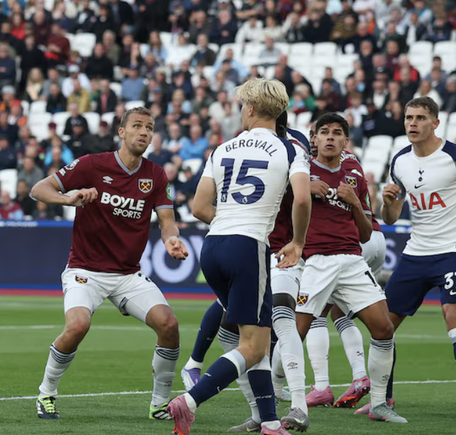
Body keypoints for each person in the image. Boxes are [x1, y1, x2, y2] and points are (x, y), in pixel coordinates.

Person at [169, 79, 312, 435]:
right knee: (254, 346)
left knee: (256, 341)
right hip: (249, 247)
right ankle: (188, 401)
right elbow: (304, 199)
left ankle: (270, 423)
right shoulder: (290, 148)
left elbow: (199, 206)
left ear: (249, 108)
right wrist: (296, 242)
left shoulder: (222, 148)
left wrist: (230, 220)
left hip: (213, 245)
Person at [30, 107, 188, 420]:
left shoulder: (155, 175)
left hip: (128, 274)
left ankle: (159, 405)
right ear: (121, 132)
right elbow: (39, 189)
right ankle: (46, 394)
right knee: (77, 326)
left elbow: (167, 221)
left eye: (149, 127)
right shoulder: (91, 164)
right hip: (85, 270)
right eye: (137, 126)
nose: (144, 132)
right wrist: (68, 198)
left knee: (169, 326)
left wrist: (172, 238)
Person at [378, 97, 456, 422]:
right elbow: (391, 218)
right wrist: (387, 203)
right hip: (415, 252)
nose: (412, 123)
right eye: (408, 117)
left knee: (454, 318)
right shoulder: (400, 161)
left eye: (420, 117)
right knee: (383, 327)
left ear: (435, 123)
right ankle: (384, 400)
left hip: (454, 250)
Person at [293, 113, 402, 423]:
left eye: (337, 132)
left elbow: (366, 233)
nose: (329, 137)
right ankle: (288, 400)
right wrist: (304, 192)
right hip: (317, 262)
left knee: (384, 328)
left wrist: (355, 202)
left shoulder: (354, 172)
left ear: (346, 141)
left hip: (353, 260)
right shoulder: (300, 171)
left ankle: (379, 404)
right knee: (294, 333)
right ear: (313, 139)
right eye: (323, 132)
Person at [304, 140, 388, 412]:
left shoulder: (310, 166)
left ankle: (319, 387)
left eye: (335, 132)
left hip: (347, 242)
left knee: (313, 316)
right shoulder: (354, 164)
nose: (327, 138)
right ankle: (361, 378)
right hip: (376, 239)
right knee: (342, 313)